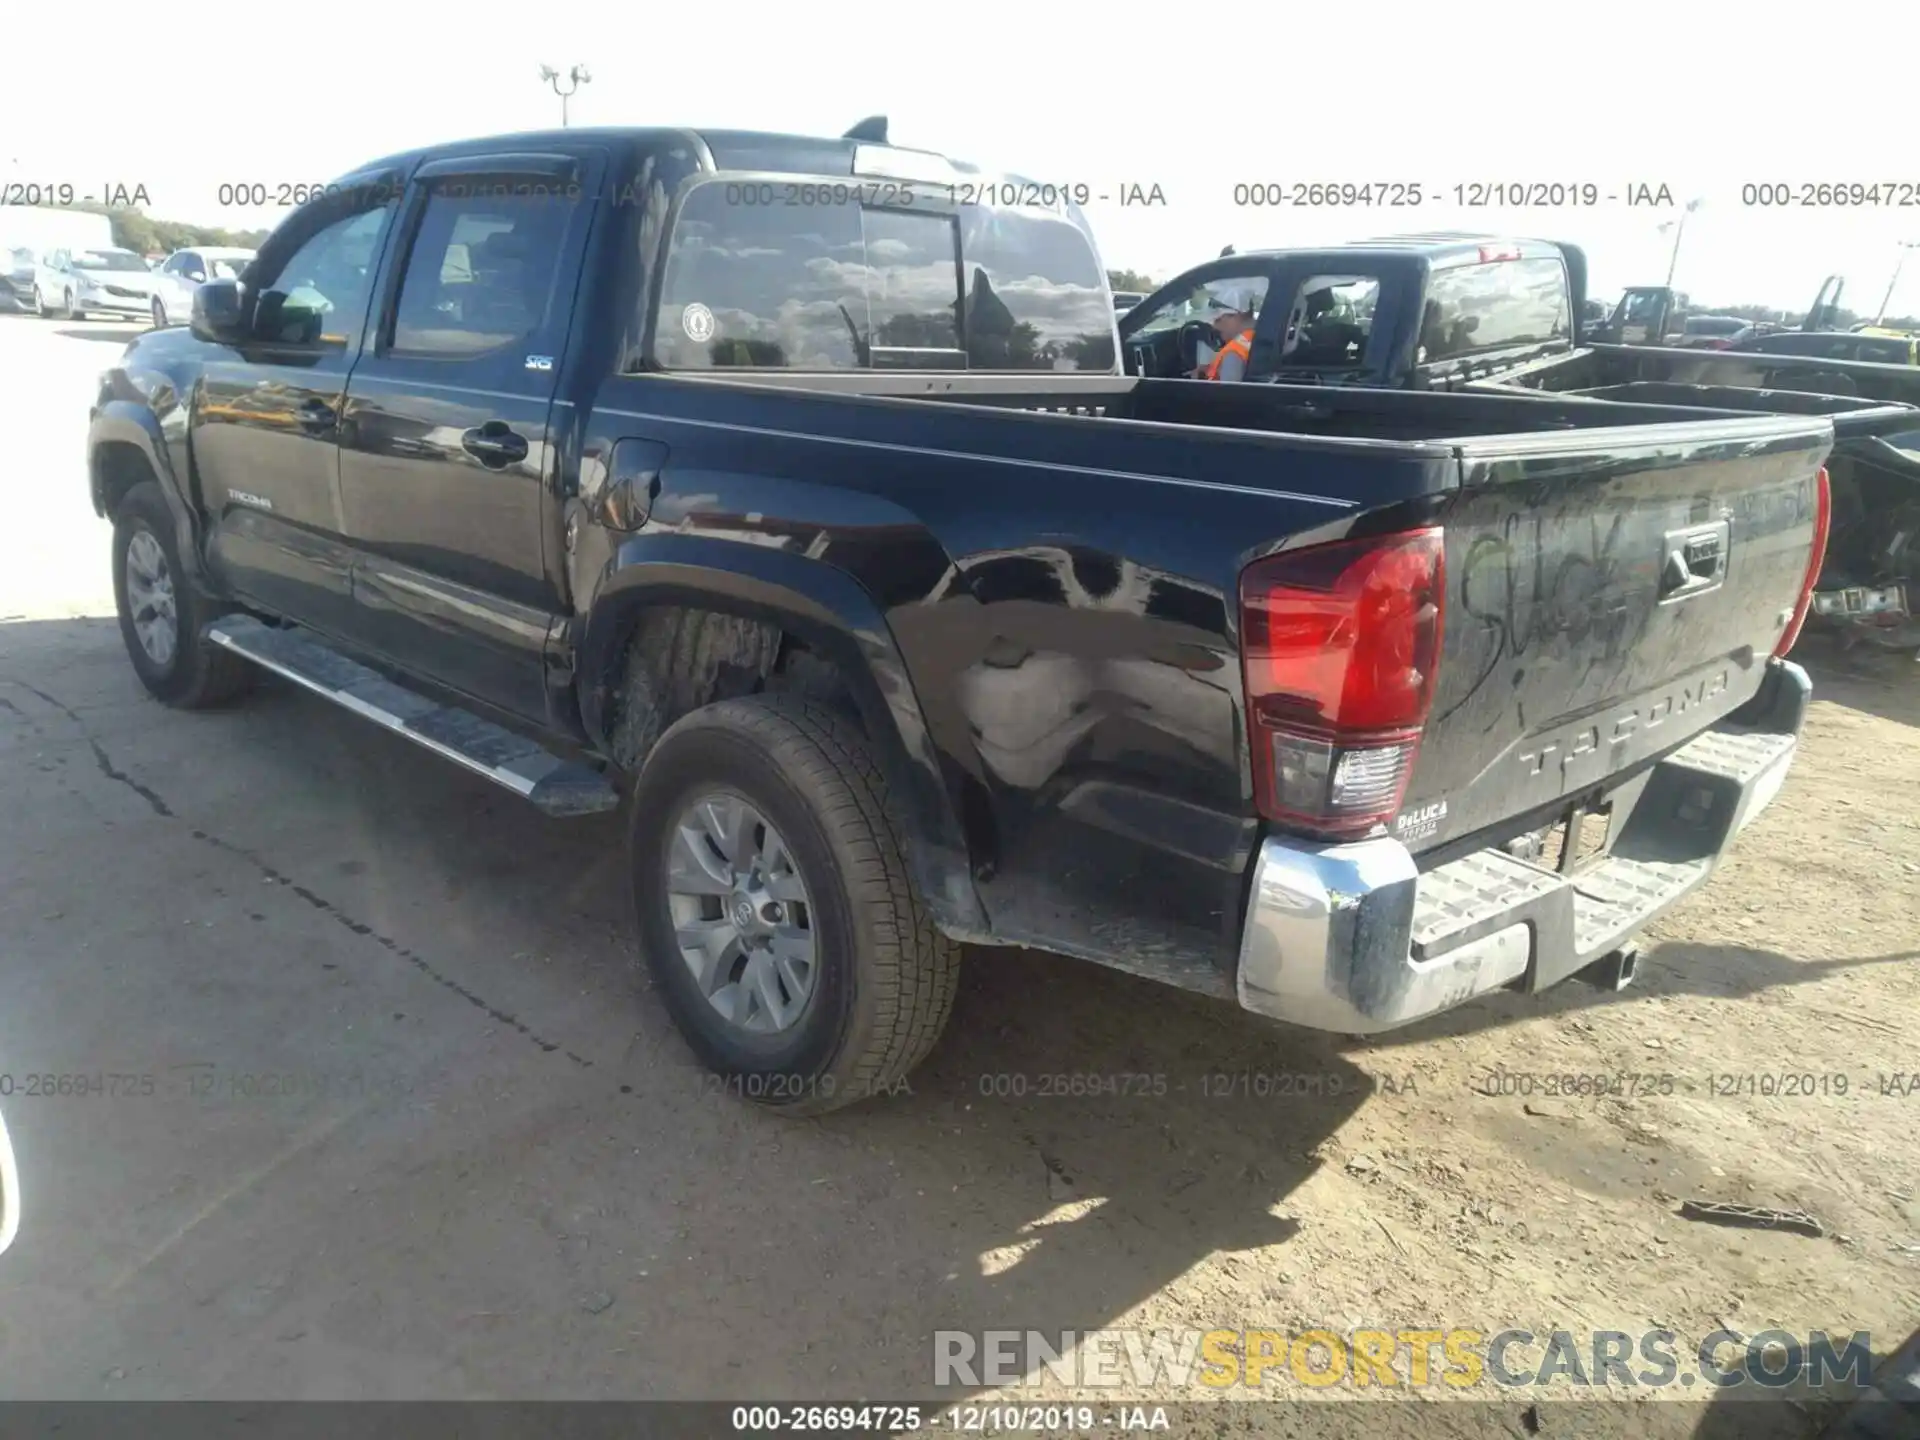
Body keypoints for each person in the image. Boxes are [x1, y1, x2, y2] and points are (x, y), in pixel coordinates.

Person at [1197, 283, 1261, 380]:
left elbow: (1226, 394)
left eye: (1218, 320)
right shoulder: (1259, 338)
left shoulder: (1233, 354)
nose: (1214, 326)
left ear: (1234, 316)